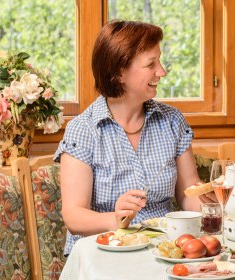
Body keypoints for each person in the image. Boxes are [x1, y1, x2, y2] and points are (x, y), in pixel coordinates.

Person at [55, 20, 214, 254]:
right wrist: (117, 218)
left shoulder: (172, 121)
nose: (162, 71)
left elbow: (187, 194)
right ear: (119, 72)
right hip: (105, 249)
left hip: (164, 248)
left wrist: (216, 205)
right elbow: (74, 217)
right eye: (151, 64)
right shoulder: (84, 129)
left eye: (159, 61)